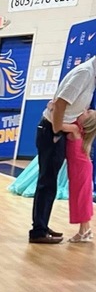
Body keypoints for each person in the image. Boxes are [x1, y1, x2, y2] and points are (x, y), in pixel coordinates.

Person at [29, 55, 96, 244]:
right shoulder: (85, 73)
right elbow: (60, 104)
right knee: (47, 181)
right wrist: (59, 129)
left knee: (50, 181)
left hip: (56, 129)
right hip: (52, 131)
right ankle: (38, 230)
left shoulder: (90, 76)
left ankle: (42, 225)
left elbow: (61, 103)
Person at [60, 109, 96, 242]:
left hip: (80, 170)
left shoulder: (75, 129)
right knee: (81, 198)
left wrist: (52, 108)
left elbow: (58, 125)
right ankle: (86, 229)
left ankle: (83, 231)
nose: (84, 111)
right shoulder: (78, 128)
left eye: (87, 112)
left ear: (86, 122)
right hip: (78, 169)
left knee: (81, 198)